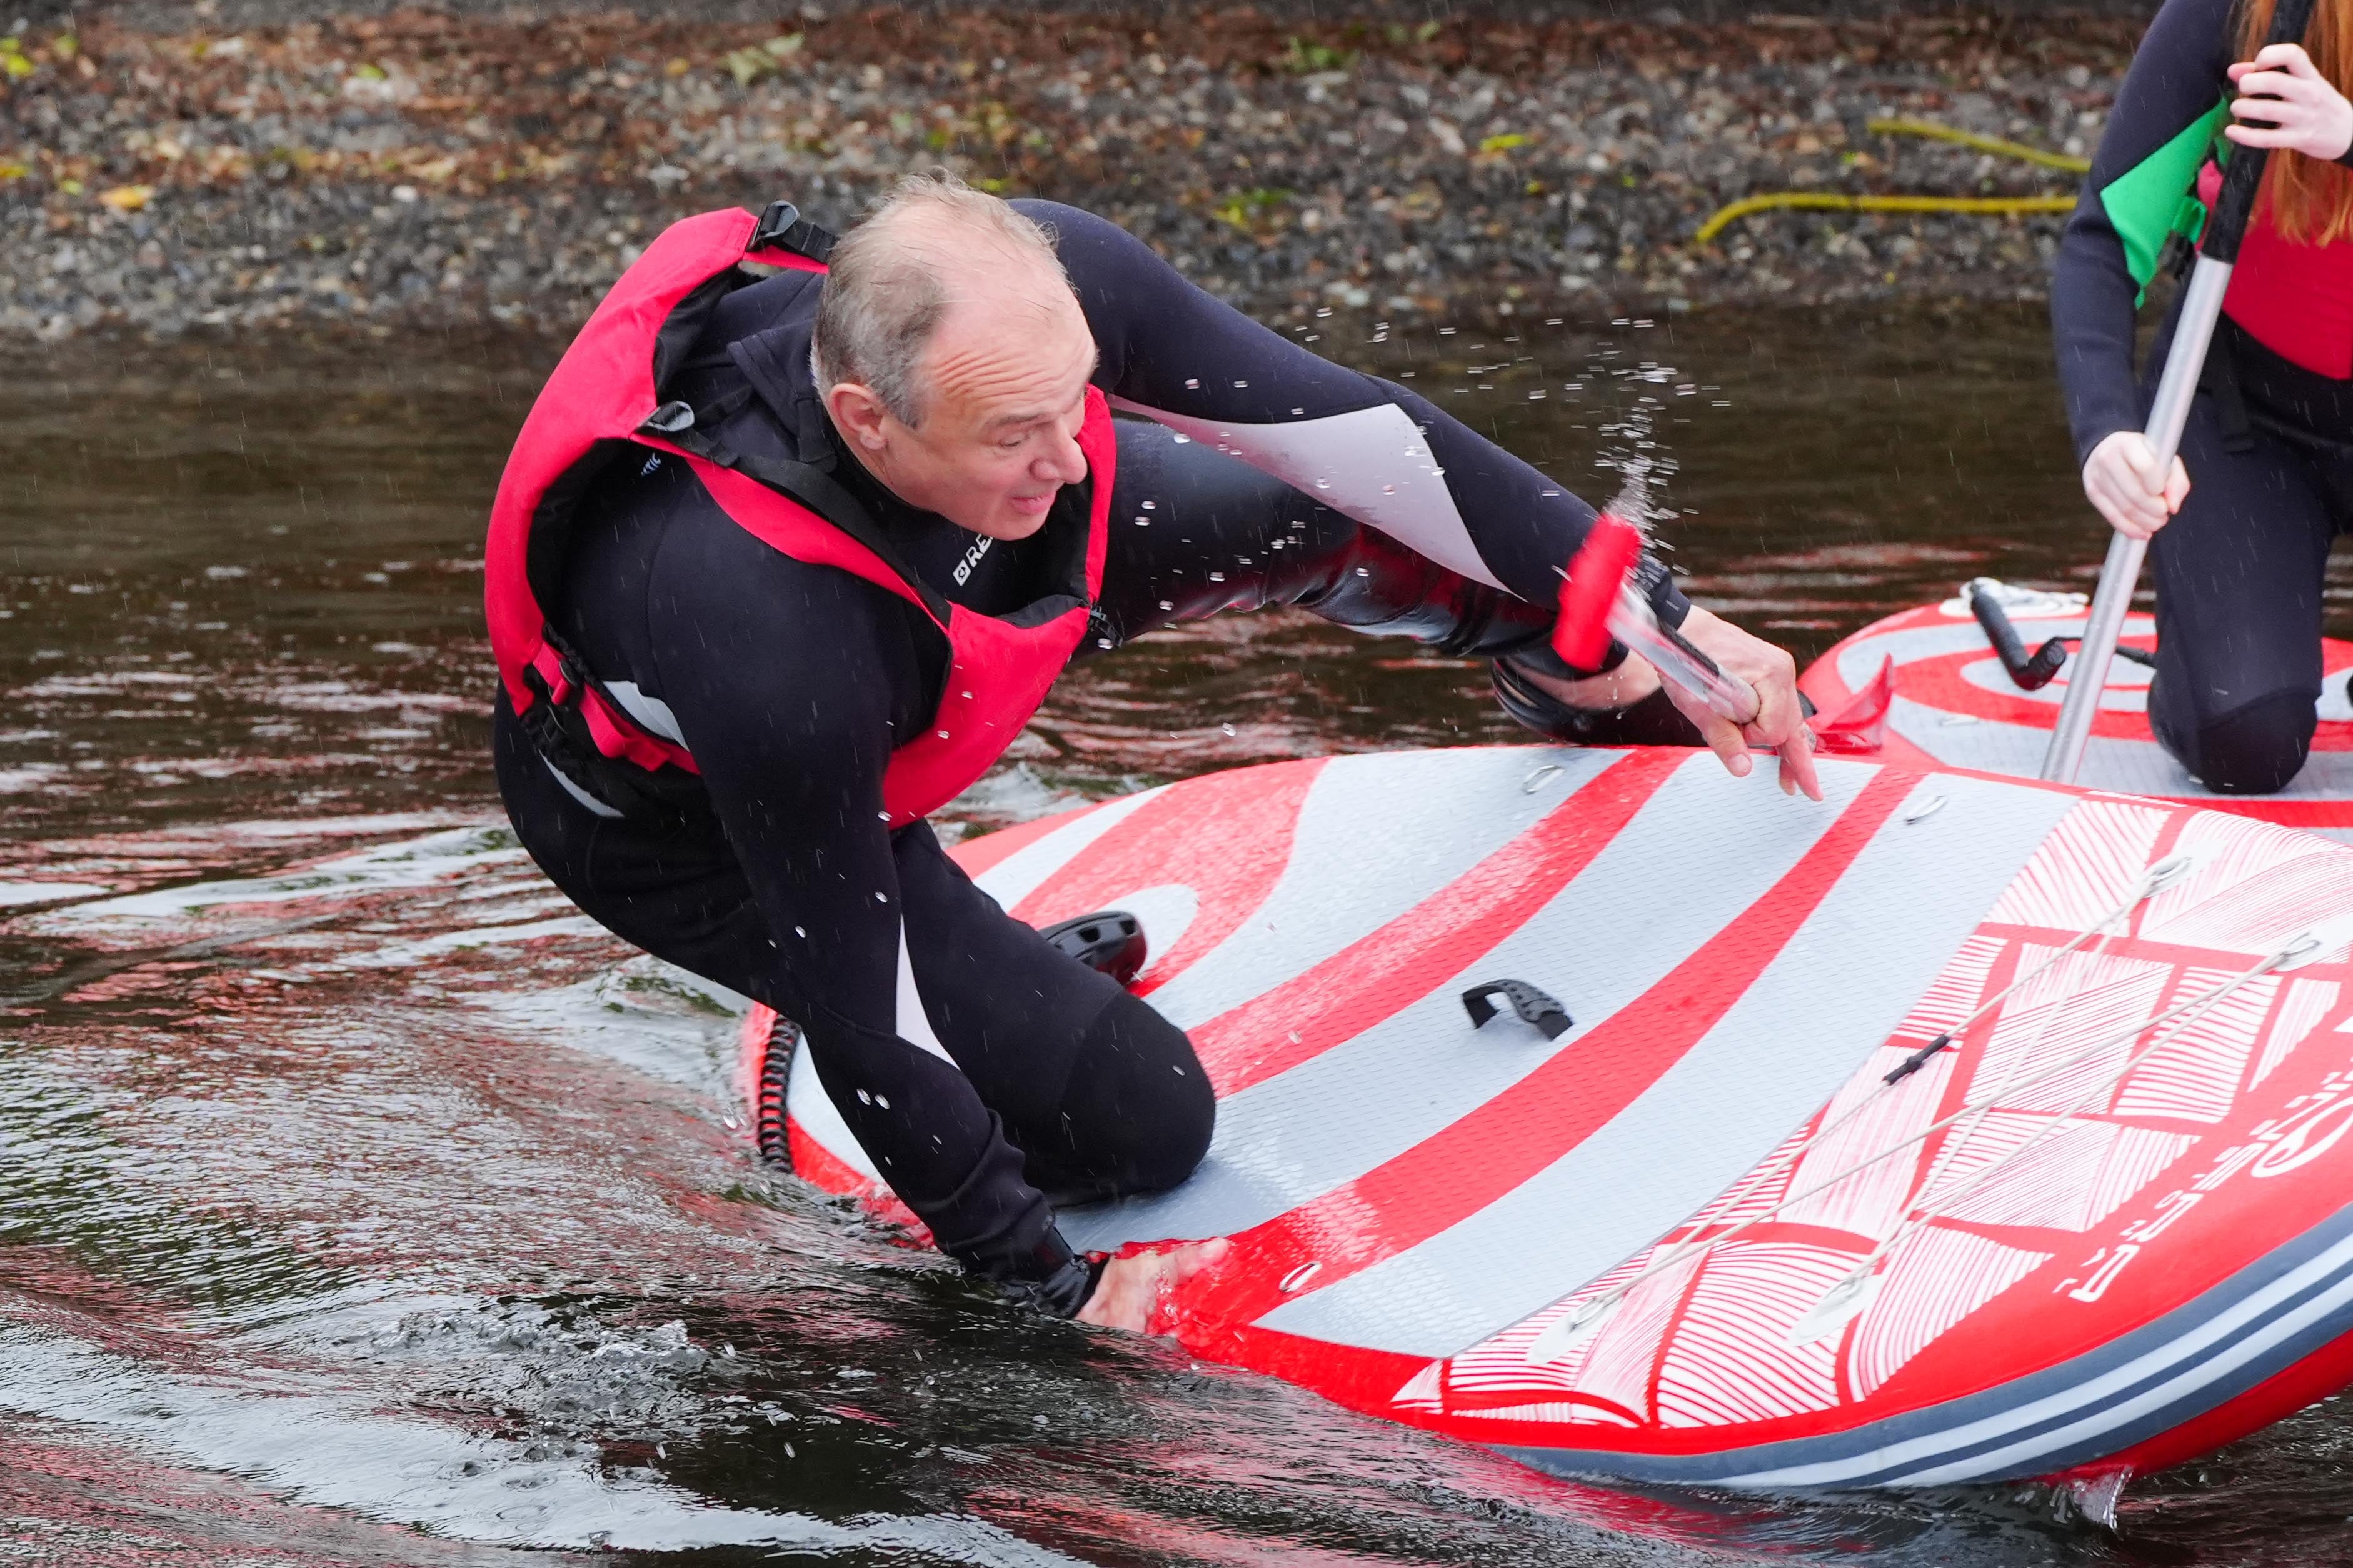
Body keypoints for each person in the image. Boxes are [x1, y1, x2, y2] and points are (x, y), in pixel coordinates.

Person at [484, 175, 1820, 1331]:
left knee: (1331, 511)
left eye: (1074, 403)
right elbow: (865, 1021)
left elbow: (1373, 440)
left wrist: (1664, 617)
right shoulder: (760, 628)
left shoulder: (1036, 304)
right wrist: (1055, 1304)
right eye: (1017, 431)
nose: (1069, 458)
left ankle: (1580, 678)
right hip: (700, 824)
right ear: (867, 417)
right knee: (1145, 1127)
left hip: (939, 591)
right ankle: (1017, 987)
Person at [2054, 0, 2353, 794]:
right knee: (2243, 737)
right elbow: (2104, 240)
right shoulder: (2236, 17)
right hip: (2249, 417)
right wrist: (2104, 431)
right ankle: (2200, 663)